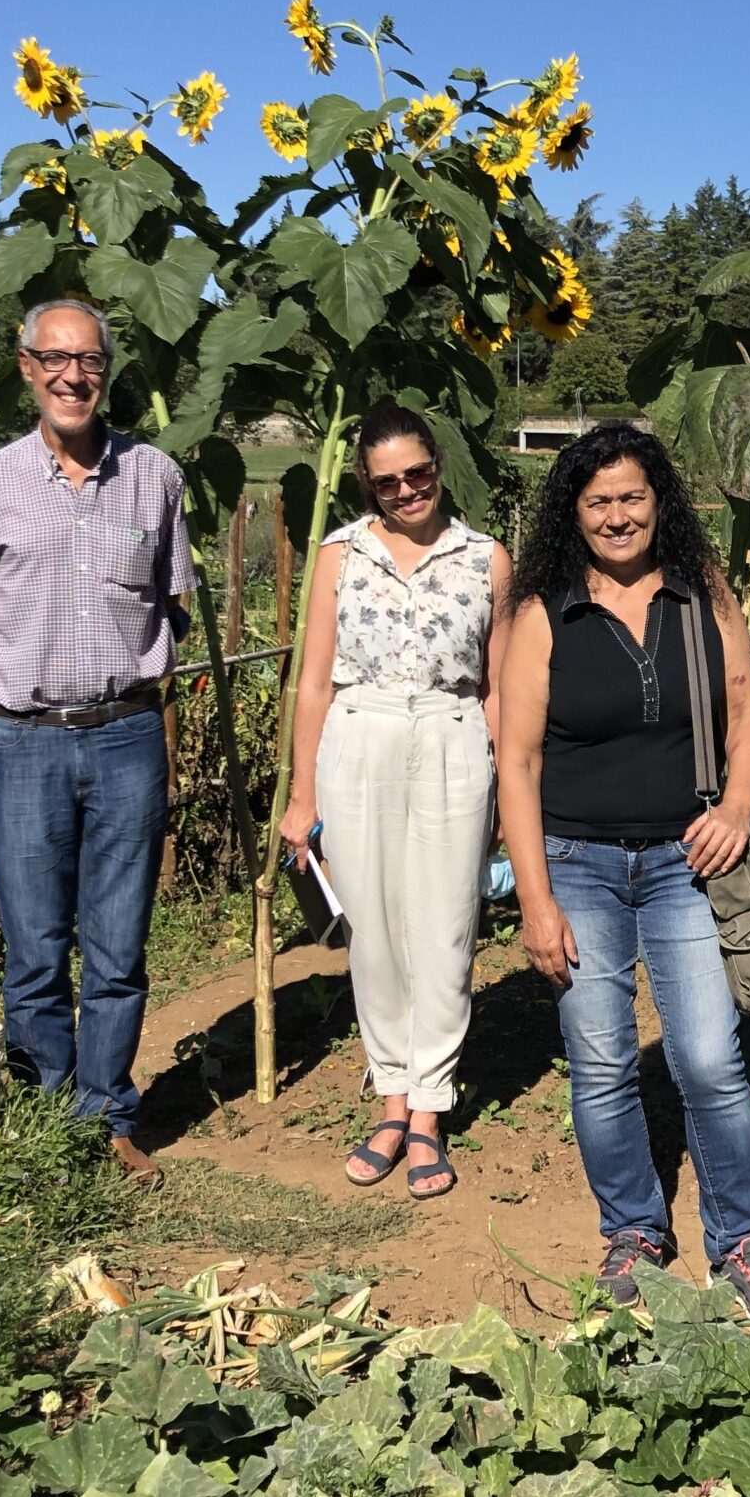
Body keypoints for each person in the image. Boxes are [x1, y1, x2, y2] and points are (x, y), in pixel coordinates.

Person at [496, 423, 750, 1319]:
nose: (619, 515)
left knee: (708, 1059)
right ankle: (633, 1228)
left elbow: (745, 710)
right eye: (600, 502)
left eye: (634, 497)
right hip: (576, 863)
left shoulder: (700, 593)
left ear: (658, 501)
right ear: (574, 512)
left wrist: (737, 807)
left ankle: (741, 1242)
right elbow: (515, 761)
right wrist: (535, 898)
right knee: (600, 1065)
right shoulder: (542, 610)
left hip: (685, 859)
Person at [0, 297, 192, 1182]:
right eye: (53, 359)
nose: (71, 376)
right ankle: (49, 1116)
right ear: (26, 368)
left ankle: (109, 1114)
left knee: (119, 946)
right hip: (23, 743)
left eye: (86, 360)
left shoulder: (155, 478)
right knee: (36, 946)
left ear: (106, 369)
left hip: (128, 733)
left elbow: (173, 600)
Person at [279, 403, 511, 1201]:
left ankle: (429, 1112)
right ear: (368, 486)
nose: (406, 491)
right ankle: (389, 1099)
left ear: (438, 467)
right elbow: (312, 681)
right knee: (374, 927)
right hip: (359, 733)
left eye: (418, 474)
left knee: (446, 925)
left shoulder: (486, 558)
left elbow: (498, 687)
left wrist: (509, 798)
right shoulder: (340, 556)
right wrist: (301, 793)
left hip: (451, 736)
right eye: (388, 483)